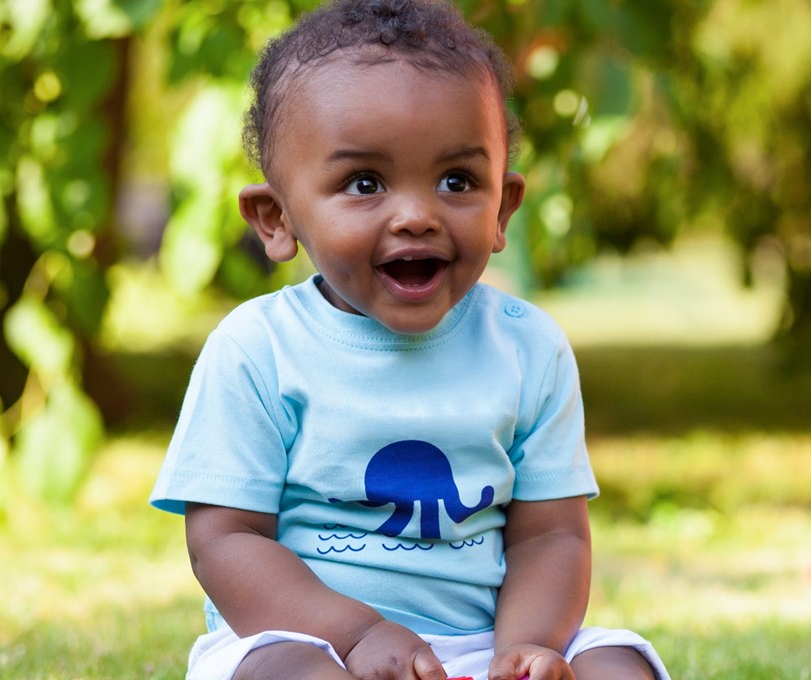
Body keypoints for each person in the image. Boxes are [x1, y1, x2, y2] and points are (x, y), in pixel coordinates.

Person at [149, 1, 670, 679]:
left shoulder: (528, 350)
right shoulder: (257, 350)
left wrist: (527, 647)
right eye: (364, 183)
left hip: (482, 643)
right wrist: (358, 634)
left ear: (504, 207)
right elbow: (223, 543)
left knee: (619, 663)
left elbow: (551, 534)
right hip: (309, 640)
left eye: (457, 180)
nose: (418, 215)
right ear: (276, 220)